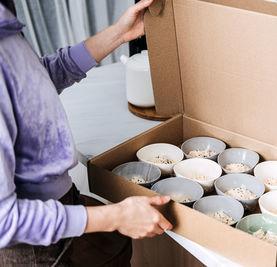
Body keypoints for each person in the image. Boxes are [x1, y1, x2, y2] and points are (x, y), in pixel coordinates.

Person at [0, 0, 173, 265]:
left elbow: (34, 80)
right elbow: (4, 220)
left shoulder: (5, 24)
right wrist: (118, 216)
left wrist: (119, 32)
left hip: (61, 204)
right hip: (32, 245)